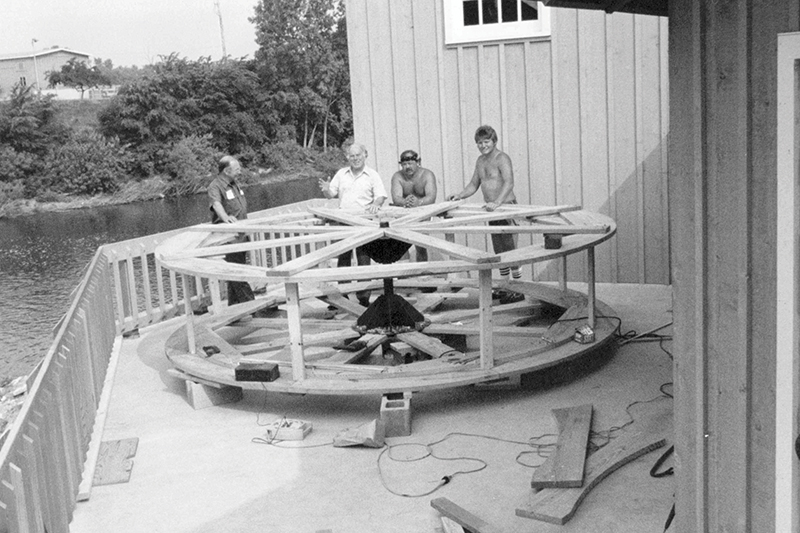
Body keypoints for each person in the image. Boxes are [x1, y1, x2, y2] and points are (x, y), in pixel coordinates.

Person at [448, 125, 524, 303]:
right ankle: (505, 286)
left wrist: (498, 202)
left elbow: (509, 182)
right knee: (499, 248)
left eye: (486, 142)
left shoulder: (502, 158)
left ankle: (519, 288)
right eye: (479, 143)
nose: (483, 146)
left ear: (494, 141)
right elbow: (474, 185)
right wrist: (459, 195)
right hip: (491, 211)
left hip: (505, 207)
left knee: (510, 248)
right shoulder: (480, 161)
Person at [318, 143, 387, 307]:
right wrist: (326, 189)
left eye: (358, 155)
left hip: (363, 222)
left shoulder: (372, 175)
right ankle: (343, 295)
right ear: (347, 157)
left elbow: (381, 196)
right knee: (343, 259)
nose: (355, 158)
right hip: (344, 222)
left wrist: (376, 204)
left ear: (365, 155)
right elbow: (330, 194)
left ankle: (364, 297)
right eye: (351, 156)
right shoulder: (341, 174)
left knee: (363, 259)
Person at [208, 155, 256, 306]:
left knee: (236, 269)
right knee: (237, 273)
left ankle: (234, 308)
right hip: (230, 237)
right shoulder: (215, 186)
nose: (240, 172)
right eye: (237, 169)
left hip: (241, 234)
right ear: (227, 170)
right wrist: (225, 217)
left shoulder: (234, 184)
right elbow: (216, 204)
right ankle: (253, 306)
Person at [390, 149, 437, 261]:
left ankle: (422, 272)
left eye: (410, 163)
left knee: (420, 245)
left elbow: (431, 197)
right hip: (404, 215)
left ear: (418, 162)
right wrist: (405, 202)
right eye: (404, 164)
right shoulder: (398, 176)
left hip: (422, 214)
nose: (407, 167)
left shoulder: (427, 175)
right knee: (401, 244)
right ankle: (404, 273)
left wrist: (418, 202)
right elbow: (396, 198)